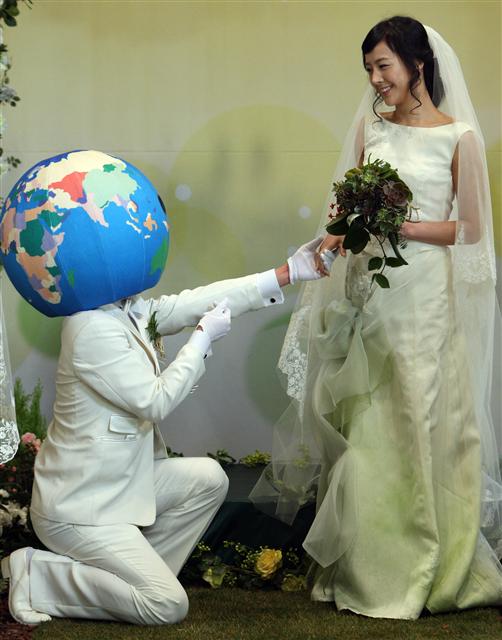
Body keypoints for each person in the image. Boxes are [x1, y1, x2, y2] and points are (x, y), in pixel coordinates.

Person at [251, 16, 502, 619]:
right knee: (368, 416)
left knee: (418, 412)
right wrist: (333, 240)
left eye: (383, 66)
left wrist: (400, 225)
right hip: (372, 292)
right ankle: (366, 566)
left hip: (425, 295)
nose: (374, 79)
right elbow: (344, 211)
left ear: (417, 66)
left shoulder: (459, 137)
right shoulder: (372, 127)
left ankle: (428, 564)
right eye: (368, 68)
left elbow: (469, 229)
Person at [0, 237, 336, 626]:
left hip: (119, 487)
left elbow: (198, 300)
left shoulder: (127, 309)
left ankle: (133, 583)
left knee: (208, 479)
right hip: (82, 507)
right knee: (167, 606)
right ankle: (37, 574)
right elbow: (154, 401)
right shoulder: (90, 327)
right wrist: (202, 339)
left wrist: (287, 273)